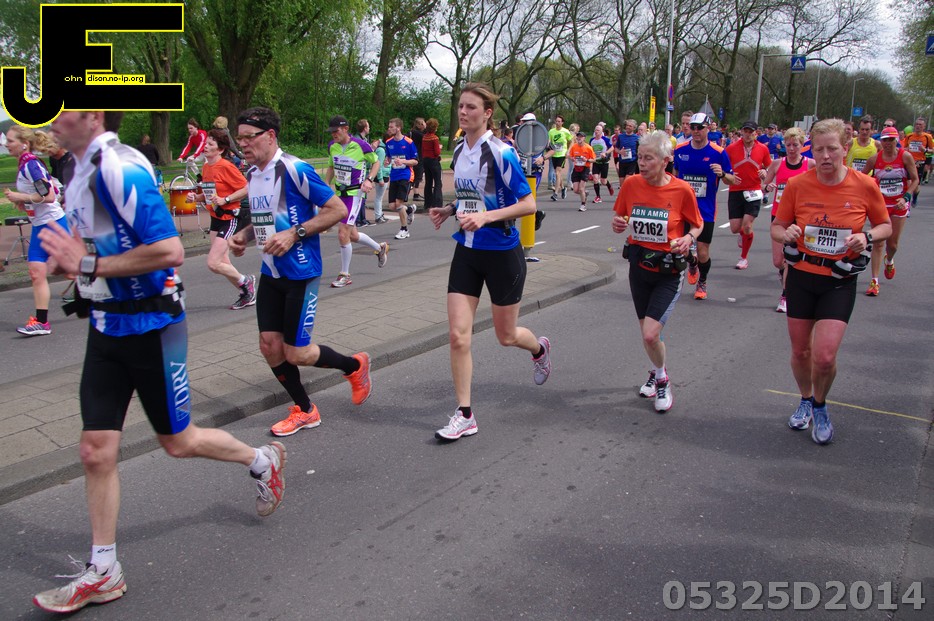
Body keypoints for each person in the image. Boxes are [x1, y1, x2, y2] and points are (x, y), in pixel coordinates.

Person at [32, 111, 286, 614]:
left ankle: (261, 460)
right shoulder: (74, 171)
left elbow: (169, 250)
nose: (52, 116)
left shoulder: (121, 169)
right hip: (105, 327)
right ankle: (104, 570)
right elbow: (91, 246)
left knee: (178, 442)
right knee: (95, 451)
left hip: (153, 327)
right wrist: (74, 265)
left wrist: (87, 264)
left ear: (93, 115)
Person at [228, 107, 372, 436]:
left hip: (301, 273)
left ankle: (355, 366)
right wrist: (244, 236)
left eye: (249, 137)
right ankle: (306, 410)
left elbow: (336, 209)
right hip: (271, 273)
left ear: (270, 136)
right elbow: (265, 217)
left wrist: (295, 233)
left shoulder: (295, 169)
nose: (243, 144)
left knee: (297, 353)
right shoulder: (253, 174)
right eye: (239, 139)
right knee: (269, 346)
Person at [428, 83, 552, 441]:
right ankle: (465, 414)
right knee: (457, 336)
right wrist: (450, 209)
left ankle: (539, 349)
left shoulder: (501, 153)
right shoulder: (459, 149)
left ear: (487, 114)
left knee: (506, 335)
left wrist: (486, 217)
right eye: (460, 106)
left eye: (471, 107)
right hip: (467, 251)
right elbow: (474, 195)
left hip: (502, 252)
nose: (463, 112)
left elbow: (528, 204)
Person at [771, 118, 891, 445]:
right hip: (802, 277)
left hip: (838, 279)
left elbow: (884, 225)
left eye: (832, 149)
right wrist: (787, 232)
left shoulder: (865, 185)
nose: (825, 156)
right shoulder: (798, 185)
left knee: (824, 357)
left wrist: (866, 237)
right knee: (801, 352)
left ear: (845, 148)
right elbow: (777, 227)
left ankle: (820, 405)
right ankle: (805, 399)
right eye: (819, 149)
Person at [612, 131, 702, 413]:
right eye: (640, 157)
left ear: (665, 161)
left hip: (668, 270)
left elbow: (697, 224)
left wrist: (688, 238)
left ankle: (662, 380)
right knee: (647, 333)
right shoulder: (631, 184)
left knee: (651, 334)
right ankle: (655, 371)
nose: (641, 163)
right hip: (639, 266)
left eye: (648, 158)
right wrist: (619, 223)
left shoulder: (682, 190)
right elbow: (621, 216)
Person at [3, 126, 68, 336]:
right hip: (40, 224)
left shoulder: (31, 164)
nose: (5, 144)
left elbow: (49, 196)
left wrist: (20, 197)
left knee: (71, 271)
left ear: (24, 144)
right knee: (36, 272)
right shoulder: (24, 164)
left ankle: (114, 288)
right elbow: (39, 195)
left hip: (53, 223)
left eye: (10, 141)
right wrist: (24, 204)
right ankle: (41, 322)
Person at [186, 129, 256, 309]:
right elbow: (210, 194)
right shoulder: (206, 167)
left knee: (213, 263)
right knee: (223, 261)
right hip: (215, 217)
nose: (205, 147)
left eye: (210, 144)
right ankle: (246, 293)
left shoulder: (226, 166)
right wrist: (196, 197)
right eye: (206, 143)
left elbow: (246, 188)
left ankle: (246, 281)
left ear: (220, 149)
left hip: (229, 217)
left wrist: (226, 199)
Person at [672, 113, 735, 301]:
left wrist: (722, 174)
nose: (696, 131)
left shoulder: (718, 152)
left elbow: (731, 179)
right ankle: (692, 263)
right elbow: (674, 176)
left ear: (708, 128)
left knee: (703, 251)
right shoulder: (680, 150)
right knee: (681, 248)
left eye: (700, 127)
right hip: (683, 209)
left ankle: (702, 281)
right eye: (693, 127)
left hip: (705, 210)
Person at [323, 115, 388, 288]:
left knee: (342, 233)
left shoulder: (360, 145)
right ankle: (379, 248)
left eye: (336, 131)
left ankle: (345, 275)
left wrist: (369, 179)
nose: (333, 134)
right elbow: (331, 166)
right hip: (340, 194)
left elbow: (376, 163)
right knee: (352, 235)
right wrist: (326, 184)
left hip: (355, 193)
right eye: (331, 132)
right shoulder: (332, 146)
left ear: (345, 129)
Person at [861, 126, 919, 296]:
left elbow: (915, 180)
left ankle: (890, 259)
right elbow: (862, 178)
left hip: (899, 204)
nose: (888, 143)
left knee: (892, 244)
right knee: (878, 243)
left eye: (891, 140)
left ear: (896, 140)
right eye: (885, 140)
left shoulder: (905, 156)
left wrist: (906, 197)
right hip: (880, 205)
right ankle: (874, 281)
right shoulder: (874, 159)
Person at [763, 127, 815, 312]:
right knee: (778, 261)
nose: (792, 148)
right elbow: (764, 185)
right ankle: (783, 273)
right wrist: (767, 187)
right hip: (779, 216)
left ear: (802, 145)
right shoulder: (777, 164)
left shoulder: (810, 164)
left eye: (795, 145)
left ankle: (785, 296)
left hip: (800, 217)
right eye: (788, 145)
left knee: (792, 258)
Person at [725, 120, 772, 269]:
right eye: (745, 131)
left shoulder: (763, 149)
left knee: (747, 225)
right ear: (741, 132)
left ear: (756, 133)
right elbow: (725, 167)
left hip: (754, 190)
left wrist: (765, 172)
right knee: (735, 228)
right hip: (736, 190)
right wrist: (729, 175)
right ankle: (742, 234)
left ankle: (743, 258)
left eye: (751, 132)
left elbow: (769, 167)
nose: (747, 134)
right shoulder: (731, 148)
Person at [384, 118, 419, 239]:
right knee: (392, 206)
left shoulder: (408, 142)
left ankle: (404, 229)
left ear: (398, 128)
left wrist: (403, 161)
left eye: (391, 127)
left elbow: (415, 161)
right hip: (394, 175)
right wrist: (387, 161)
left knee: (399, 203)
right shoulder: (389, 142)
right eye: (389, 127)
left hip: (406, 175)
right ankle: (409, 210)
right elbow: (389, 157)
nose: (389, 129)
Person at [903, 118, 933, 205]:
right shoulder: (909, 136)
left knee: (916, 186)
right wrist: (906, 149)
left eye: (920, 125)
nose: (918, 126)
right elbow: (904, 148)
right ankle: (907, 201)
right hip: (909, 161)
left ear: (924, 126)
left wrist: (925, 150)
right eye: (916, 124)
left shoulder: (927, 137)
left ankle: (915, 196)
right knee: (908, 183)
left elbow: (932, 150)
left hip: (920, 162)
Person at [568, 131, 596, 211]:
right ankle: (585, 193)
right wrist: (572, 158)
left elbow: (594, 159)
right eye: (578, 136)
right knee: (575, 190)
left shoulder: (588, 148)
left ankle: (583, 205)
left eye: (581, 137)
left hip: (585, 169)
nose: (579, 138)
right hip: (576, 169)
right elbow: (570, 156)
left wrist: (587, 160)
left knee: (581, 188)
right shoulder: (574, 147)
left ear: (584, 138)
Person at [548, 115, 573, 200]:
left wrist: (568, 151)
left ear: (562, 122)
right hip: (554, 154)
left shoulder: (565, 131)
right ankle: (563, 188)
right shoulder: (551, 131)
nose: (557, 123)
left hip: (562, 154)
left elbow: (571, 141)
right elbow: (549, 142)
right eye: (556, 121)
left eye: (559, 121)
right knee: (558, 173)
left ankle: (555, 193)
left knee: (557, 173)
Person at [421, 118, 444, 212]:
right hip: (433, 161)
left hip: (425, 160)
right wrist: (440, 147)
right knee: (438, 182)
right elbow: (437, 152)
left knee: (428, 182)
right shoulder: (434, 138)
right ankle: (437, 203)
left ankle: (428, 203)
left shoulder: (424, 137)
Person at [590, 124, 615, 203]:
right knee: (595, 179)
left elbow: (612, 148)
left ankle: (609, 186)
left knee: (603, 181)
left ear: (601, 132)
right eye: (595, 130)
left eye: (598, 130)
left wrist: (605, 153)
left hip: (604, 162)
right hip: (596, 162)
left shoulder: (605, 139)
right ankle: (598, 197)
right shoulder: (592, 140)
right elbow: (589, 150)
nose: (596, 132)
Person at [370, 135, 391, 224]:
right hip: (381, 175)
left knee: (380, 197)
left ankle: (380, 214)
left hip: (384, 174)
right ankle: (378, 216)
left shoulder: (384, 148)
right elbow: (378, 165)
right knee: (379, 197)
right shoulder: (381, 150)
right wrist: (380, 179)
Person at [615, 119, 640, 188]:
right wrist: (620, 152)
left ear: (634, 128)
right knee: (622, 185)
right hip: (622, 162)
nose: (628, 127)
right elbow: (616, 148)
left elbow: (640, 150)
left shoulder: (637, 138)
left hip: (632, 162)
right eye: (627, 125)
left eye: (630, 126)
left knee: (627, 181)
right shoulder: (621, 136)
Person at [409, 117, 427, 201]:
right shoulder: (418, 134)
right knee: (418, 175)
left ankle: (414, 192)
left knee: (415, 174)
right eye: (423, 123)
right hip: (418, 156)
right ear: (419, 125)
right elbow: (426, 138)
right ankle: (415, 193)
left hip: (413, 155)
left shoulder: (411, 132)